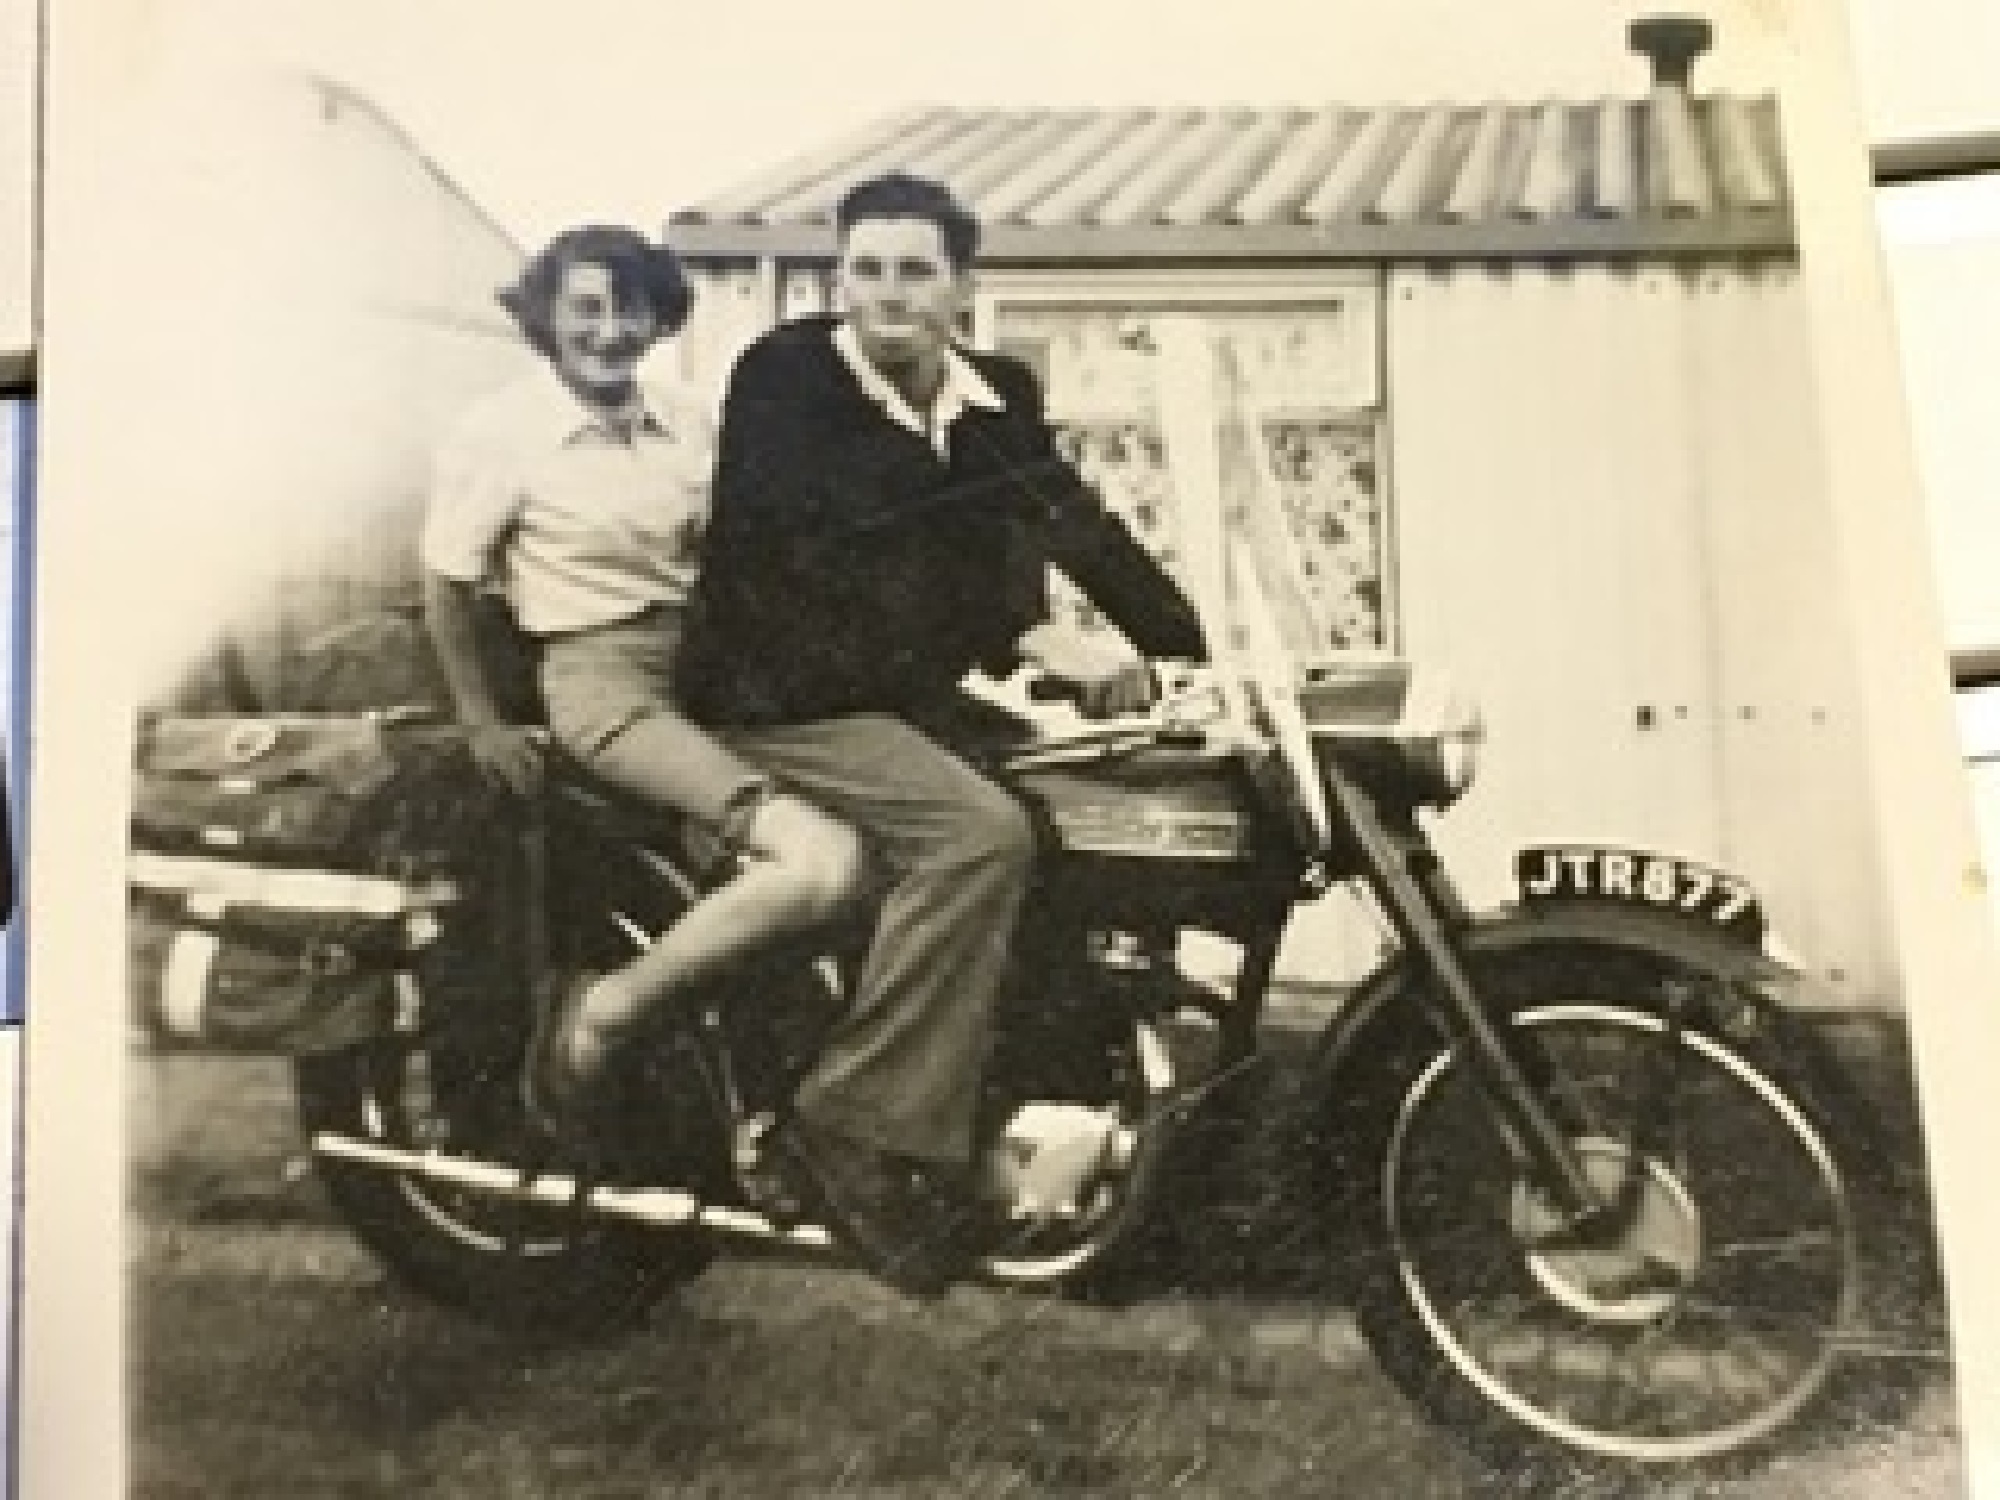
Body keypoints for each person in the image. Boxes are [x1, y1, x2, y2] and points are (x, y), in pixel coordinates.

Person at [673, 172, 1207, 1295]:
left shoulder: (989, 390)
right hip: (780, 695)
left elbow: (1073, 522)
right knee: (977, 836)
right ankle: (850, 1126)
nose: (886, 292)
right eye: (866, 267)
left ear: (962, 282)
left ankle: (1014, 1104)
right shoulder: (785, 379)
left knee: (1084, 803)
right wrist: (1026, 639)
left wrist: (1191, 645)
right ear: (840, 276)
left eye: (914, 269)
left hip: (897, 696)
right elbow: (829, 558)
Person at [419, 225, 866, 1160]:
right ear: (545, 315)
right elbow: (447, 585)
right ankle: (602, 1017)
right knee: (820, 862)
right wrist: (482, 721)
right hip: (601, 681)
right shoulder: (500, 431)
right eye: (586, 307)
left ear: (661, 319)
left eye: (632, 309)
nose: (610, 330)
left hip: (719, 671)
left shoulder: (691, 418)